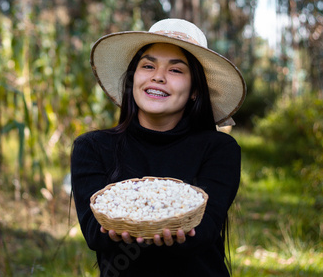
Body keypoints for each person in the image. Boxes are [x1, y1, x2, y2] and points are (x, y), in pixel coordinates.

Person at [71, 18, 246, 276]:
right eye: (148, 65)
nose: (158, 77)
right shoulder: (93, 148)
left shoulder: (219, 149)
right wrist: (151, 227)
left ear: (195, 89)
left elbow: (204, 231)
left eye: (175, 70)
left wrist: (143, 226)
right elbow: (94, 235)